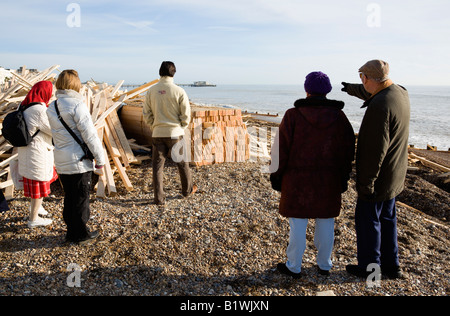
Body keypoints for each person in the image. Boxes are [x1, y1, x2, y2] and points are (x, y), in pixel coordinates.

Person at [271, 72, 355, 278]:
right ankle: (325, 265)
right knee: (326, 221)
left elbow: (280, 149)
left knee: (297, 223)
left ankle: (294, 266)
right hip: (329, 180)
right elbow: (348, 150)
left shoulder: (293, 115)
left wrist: (276, 175)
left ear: (307, 89)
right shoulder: (339, 117)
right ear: (327, 91)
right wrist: (344, 177)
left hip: (298, 180)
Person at [341, 60, 410, 279]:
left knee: (368, 222)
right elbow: (373, 91)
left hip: (379, 178)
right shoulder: (400, 92)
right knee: (388, 220)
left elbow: (374, 150)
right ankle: (392, 266)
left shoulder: (379, 107)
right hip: (395, 175)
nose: (362, 83)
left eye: (363, 79)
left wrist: (366, 183)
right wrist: (351, 88)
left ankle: (370, 269)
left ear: (367, 78)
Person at [47, 70, 105, 244]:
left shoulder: (52, 106)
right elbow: (90, 135)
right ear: (75, 85)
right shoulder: (77, 105)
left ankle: (71, 232)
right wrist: (100, 159)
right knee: (81, 198)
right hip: (78, 160)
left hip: (61, 159)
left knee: (70, 196)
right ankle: (81, 235)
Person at [143, 61, 197, 205]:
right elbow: (186, 114)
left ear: (159, 72)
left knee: (157, 167)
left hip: (158, 133)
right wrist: (182, 127)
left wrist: (153, 125)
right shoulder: (179, 91)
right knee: (182, 164)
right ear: (174, 73)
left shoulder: (151, 91)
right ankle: (186, 191)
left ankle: (159, 198)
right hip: (175, 133)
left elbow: (146, 113)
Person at [17, 81, 58, 228]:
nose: (53, 94)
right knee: (39, 185)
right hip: (37, 152)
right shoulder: (39, 110)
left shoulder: (23, 105)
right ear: (44, 92)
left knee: (38, 182)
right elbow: (52, 130)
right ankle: (33, 219)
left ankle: (36, 208)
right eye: (51, 91)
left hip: (27, 150)